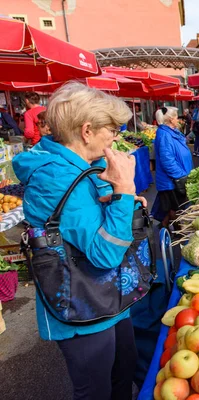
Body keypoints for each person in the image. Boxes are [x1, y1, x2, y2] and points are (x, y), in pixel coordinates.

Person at [12, 82, 143, 400]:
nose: (115, 135)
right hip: (81, 302)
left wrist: (115, 194)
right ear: (87, 131)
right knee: (96, 388)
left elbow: (87, 220)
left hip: (108, 295)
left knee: (124, 369)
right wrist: (124, 192)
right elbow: (105, 253)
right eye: (111, 128)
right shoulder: (56, 178)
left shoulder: (81, 167)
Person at [154, 106, 193, 226]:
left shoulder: (169, 132)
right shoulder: (165, 135)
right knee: (176, 208)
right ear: (171, 119)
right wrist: (180, 176)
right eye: (176, 117)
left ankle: (165, 227)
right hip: (172, 180)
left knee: (172, 206)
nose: (178, 119)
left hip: (174, 178)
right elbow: (167, 161)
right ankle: (177, 230)